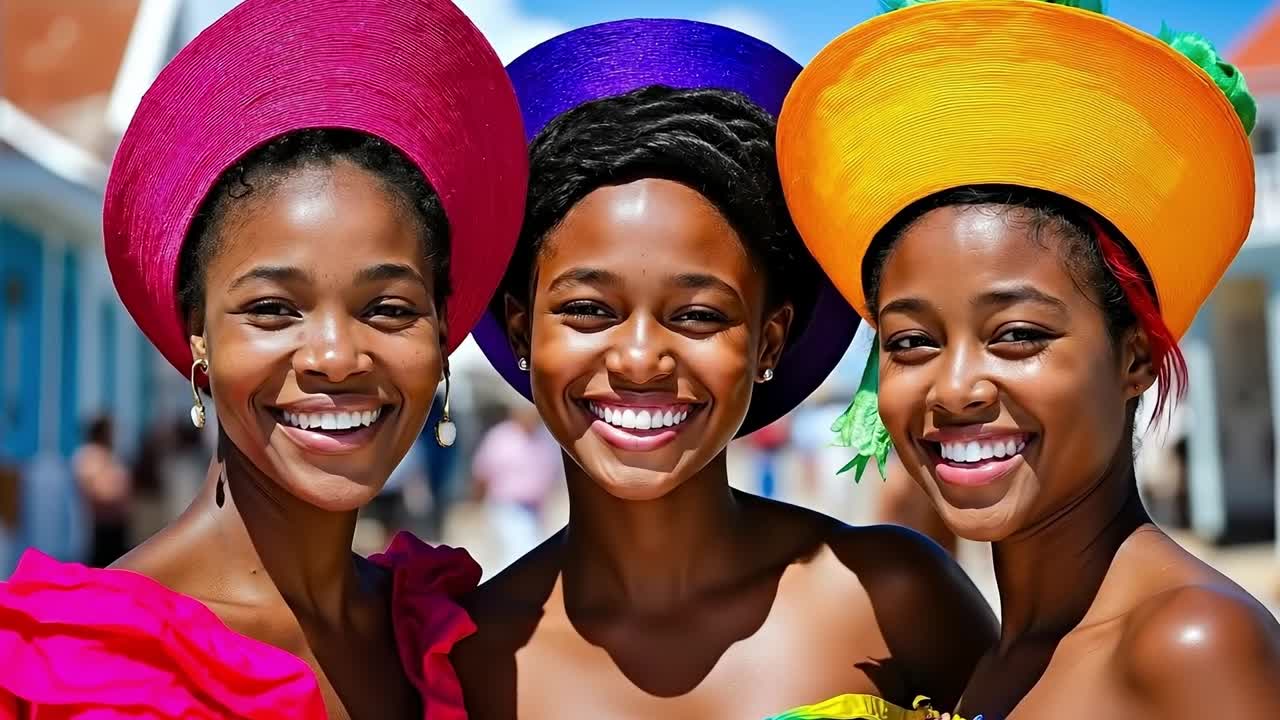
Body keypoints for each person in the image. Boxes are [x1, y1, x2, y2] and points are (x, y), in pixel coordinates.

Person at [456, 20, 996, 720]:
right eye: (590, 309)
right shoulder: (469, 659)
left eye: (699, 315)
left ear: (770, 342)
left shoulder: (895, 598)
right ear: (524, 329)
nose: (640, 358)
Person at [0, 0, 526, 717]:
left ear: (440, 335)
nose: (337, 357)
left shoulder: (447, 637)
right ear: (199, 340)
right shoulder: (83, 669)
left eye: (390, 309)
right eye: (274, 310)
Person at [777, 1, 1280, 717]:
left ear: (1134, 359)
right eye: (912, 342)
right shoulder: (1003, 659)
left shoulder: (1188, 646)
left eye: (1016, 335)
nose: (953, 388)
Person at [71, 416, 132, 567]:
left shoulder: (111, 454)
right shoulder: (88, 455)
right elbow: (90, 491)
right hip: (99, 526)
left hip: (116, 525)